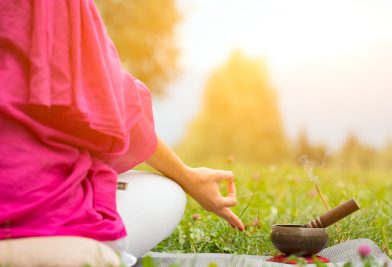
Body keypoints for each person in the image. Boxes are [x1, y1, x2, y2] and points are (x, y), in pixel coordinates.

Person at [0, 0, 244, 265]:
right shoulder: (60, 9)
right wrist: (187, 178)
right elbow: (122, 115)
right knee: (165, 192)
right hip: (65, 246)